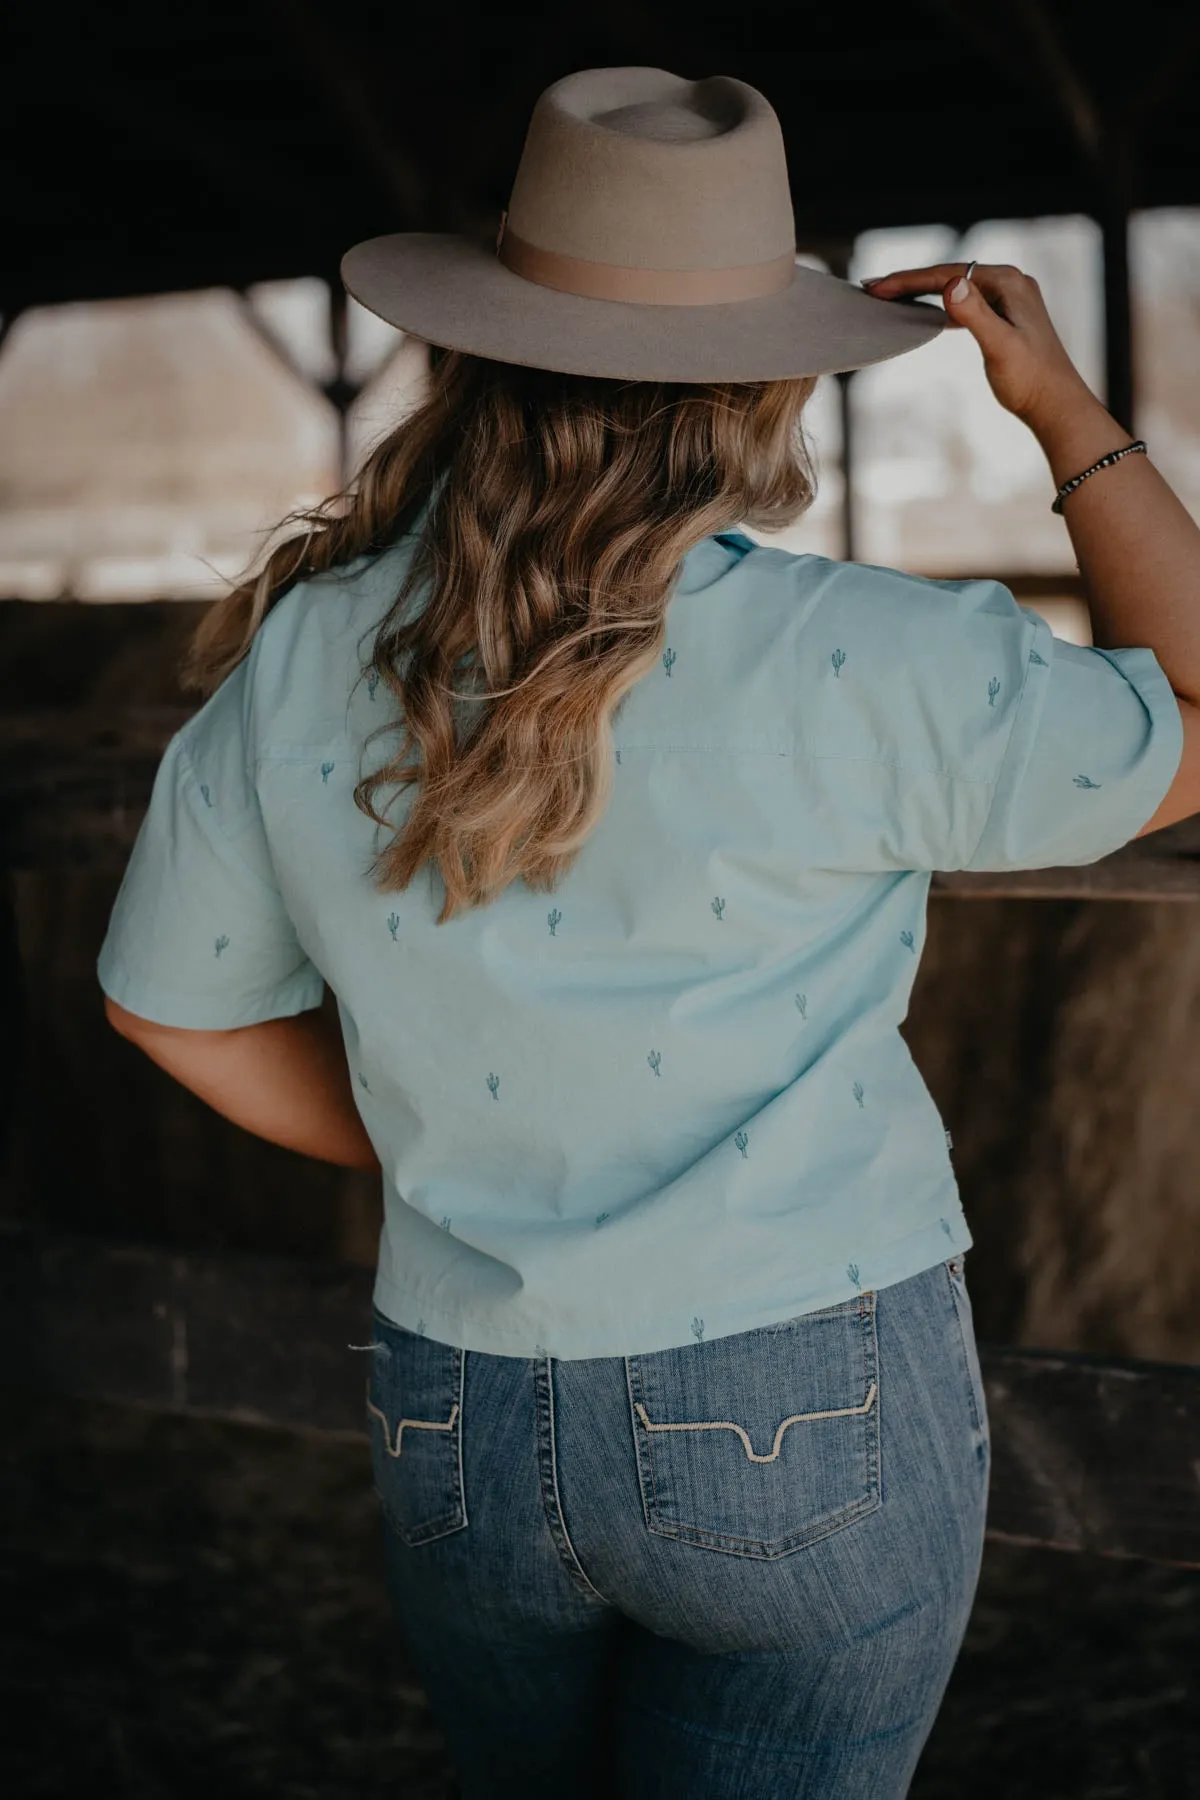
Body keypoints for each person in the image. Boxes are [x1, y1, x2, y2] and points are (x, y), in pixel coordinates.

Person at [97, 66, 1200, 1800]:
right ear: (773, 380)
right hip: (806, 1392)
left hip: (459, 1407)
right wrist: (1067, 411)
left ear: (477, 351)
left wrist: (438, 1143)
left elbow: (172, 1009)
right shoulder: (871, 657)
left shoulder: (307, 653)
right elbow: (1194, 712)